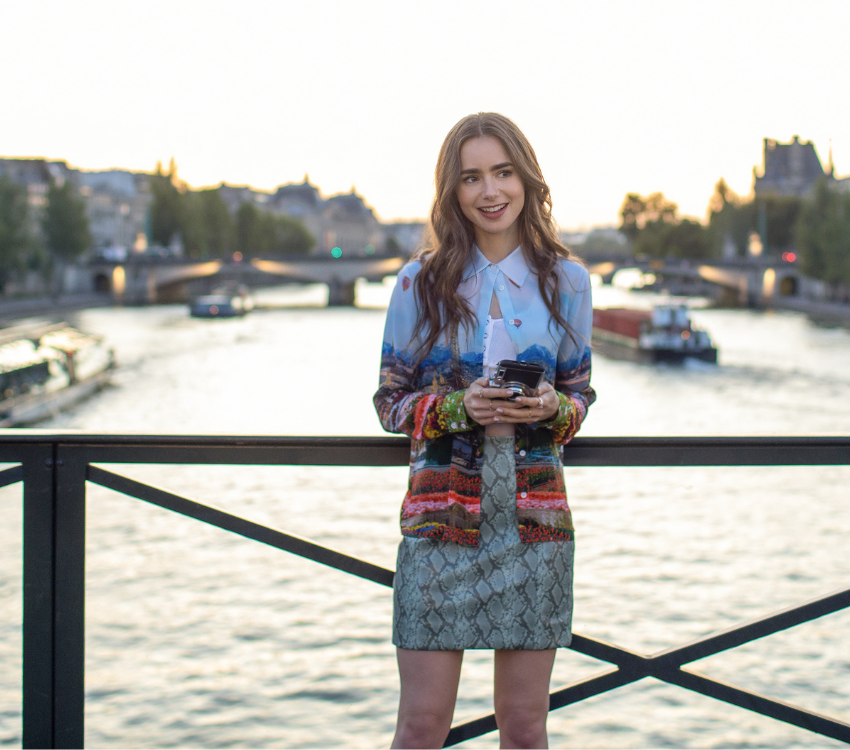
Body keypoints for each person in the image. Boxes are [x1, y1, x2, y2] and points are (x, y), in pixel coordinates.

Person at [374, 112, 595, 749]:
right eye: (471, 177)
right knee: (420, 728)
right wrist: (455, 409)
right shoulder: (421, 282)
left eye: (502, 171)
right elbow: (390, 403)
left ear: (526, 179)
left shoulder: (567, 281)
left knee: (525, 728)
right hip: (440, 523)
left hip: (534, 529)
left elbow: (581, 398)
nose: (490, 190)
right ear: (453, 191)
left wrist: (553, 409)